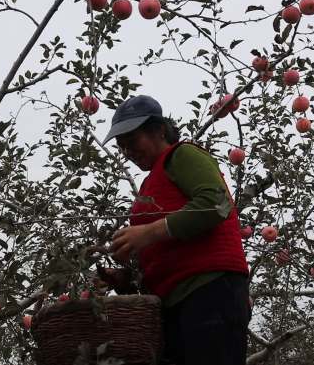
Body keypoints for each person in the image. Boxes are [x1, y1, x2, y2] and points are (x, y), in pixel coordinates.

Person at [104, 95, 250, 365]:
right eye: (122, 147)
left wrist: (147, 233)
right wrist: (127, 280)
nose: (128, 152)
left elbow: (216, 205)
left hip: (210, 290)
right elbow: (165, 251)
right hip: (173, 303)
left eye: (132, 142)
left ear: (159, 130)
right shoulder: (151, 184)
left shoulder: (182, 155)